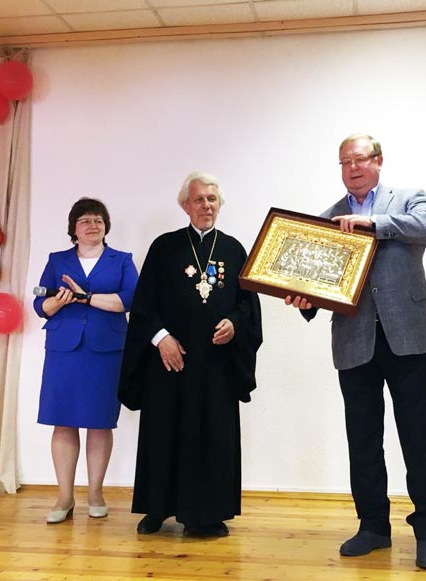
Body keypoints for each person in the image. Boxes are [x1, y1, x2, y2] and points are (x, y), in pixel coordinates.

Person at [286, 134, 426, 570]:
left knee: (420, 435)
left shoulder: (408, 199)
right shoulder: (327, 219)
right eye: (345, 162)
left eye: (359, 159)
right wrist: (305, 300)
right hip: (354, 340)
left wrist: (373, 223)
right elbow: (317, 281)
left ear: (378, 161)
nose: (352, 168)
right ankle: (373, 526)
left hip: (407, 335)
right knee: (363, 439)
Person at [119, 171, 262, 538]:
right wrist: (161, 338)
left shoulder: (234, 250)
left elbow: (248, 306)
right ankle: (157, 508)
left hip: (216, 365)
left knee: (213, 437)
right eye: (199, 199)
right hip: (171, 361)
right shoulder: (164, 247)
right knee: (164, 434)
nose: (206, 206)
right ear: (185, 205)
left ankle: (208, 515)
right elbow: (143, 304)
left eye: (212, 199)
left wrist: (235, 323)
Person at [33, 197, 139, 524]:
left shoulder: (122, 260)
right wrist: (60, 301)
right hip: (64, 350)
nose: (93, 225)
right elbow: (40, 306)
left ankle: (95, 493)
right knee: (62, 420)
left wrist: (86, 297)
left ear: (106, 226)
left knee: (99, 421)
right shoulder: (57, 260)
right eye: (85, 220)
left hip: (106, 350)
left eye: (98, 220)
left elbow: (130, 300)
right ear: (74, 229)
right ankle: (64, 497)